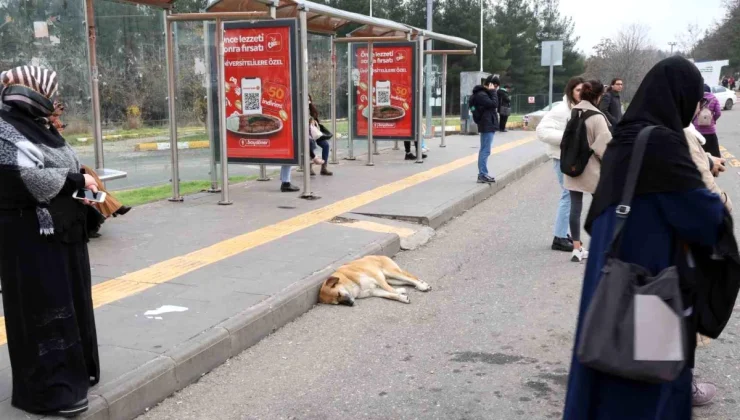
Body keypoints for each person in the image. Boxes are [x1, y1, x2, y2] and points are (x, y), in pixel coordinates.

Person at [564, 56, 735, 420]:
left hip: (610, 271)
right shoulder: (662, 143)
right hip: (650, 277)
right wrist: (719, 208)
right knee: (647, 379)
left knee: (604, 357)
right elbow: (701, 216)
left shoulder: (625, 136)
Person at [0, 66, 99, 417]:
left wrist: (82, 187)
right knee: (42, 307)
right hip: (28, 236)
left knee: (69, 301)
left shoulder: (40, 125)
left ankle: (75, 373)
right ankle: (49, 390)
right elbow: (20, 177)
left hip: (62, 232)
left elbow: (62, 164)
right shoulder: (4, 126)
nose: (53, 102)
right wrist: (75, 180)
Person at [564, 80, 612, 263]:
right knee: (602, 209)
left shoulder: (574, 112)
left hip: (573, 166)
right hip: (592, 170)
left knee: (575, 208)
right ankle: (601, 247)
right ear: (598, 96)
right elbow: (604, 147)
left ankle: (576, 248)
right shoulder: (597, 117)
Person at [537, 76, 584, 252]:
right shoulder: (561, 109)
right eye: (578, 90)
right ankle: (559, 237)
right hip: (561, 157)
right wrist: (567, 139)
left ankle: (563, 234)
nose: (581, 93)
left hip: (572, 158)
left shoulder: (579, 108)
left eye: (584, 90)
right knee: (568, 195)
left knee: (571, 195)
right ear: (571, 91)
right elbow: (541, 131)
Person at [469, 75, 499, 183]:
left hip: (487, 124)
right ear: (492, 85)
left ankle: (483, 173)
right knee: (485, 150)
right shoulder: (482, 95)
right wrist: (493, 92)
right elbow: (494, 104)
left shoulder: (481, 94)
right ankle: (482, 174)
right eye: (496, 87)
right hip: (486, 124)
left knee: (485, 150)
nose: (496, 89)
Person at [692, 84, 722, 157]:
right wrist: (713, 120)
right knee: (714, 152)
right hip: (710, 130)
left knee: (699, 153)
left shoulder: (696, 99)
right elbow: (718, 113)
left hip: (697, 129)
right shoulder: (714, 99)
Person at [308, 94, 332, 176]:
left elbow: (316, 119)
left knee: (325, 145)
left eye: (309, 99)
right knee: (310, 145)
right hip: (306, 134)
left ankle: (324, 167)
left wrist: (314, 121)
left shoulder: (311, 109)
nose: (307, 101)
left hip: (315, 133)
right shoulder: (300, 109)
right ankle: (309, 167)